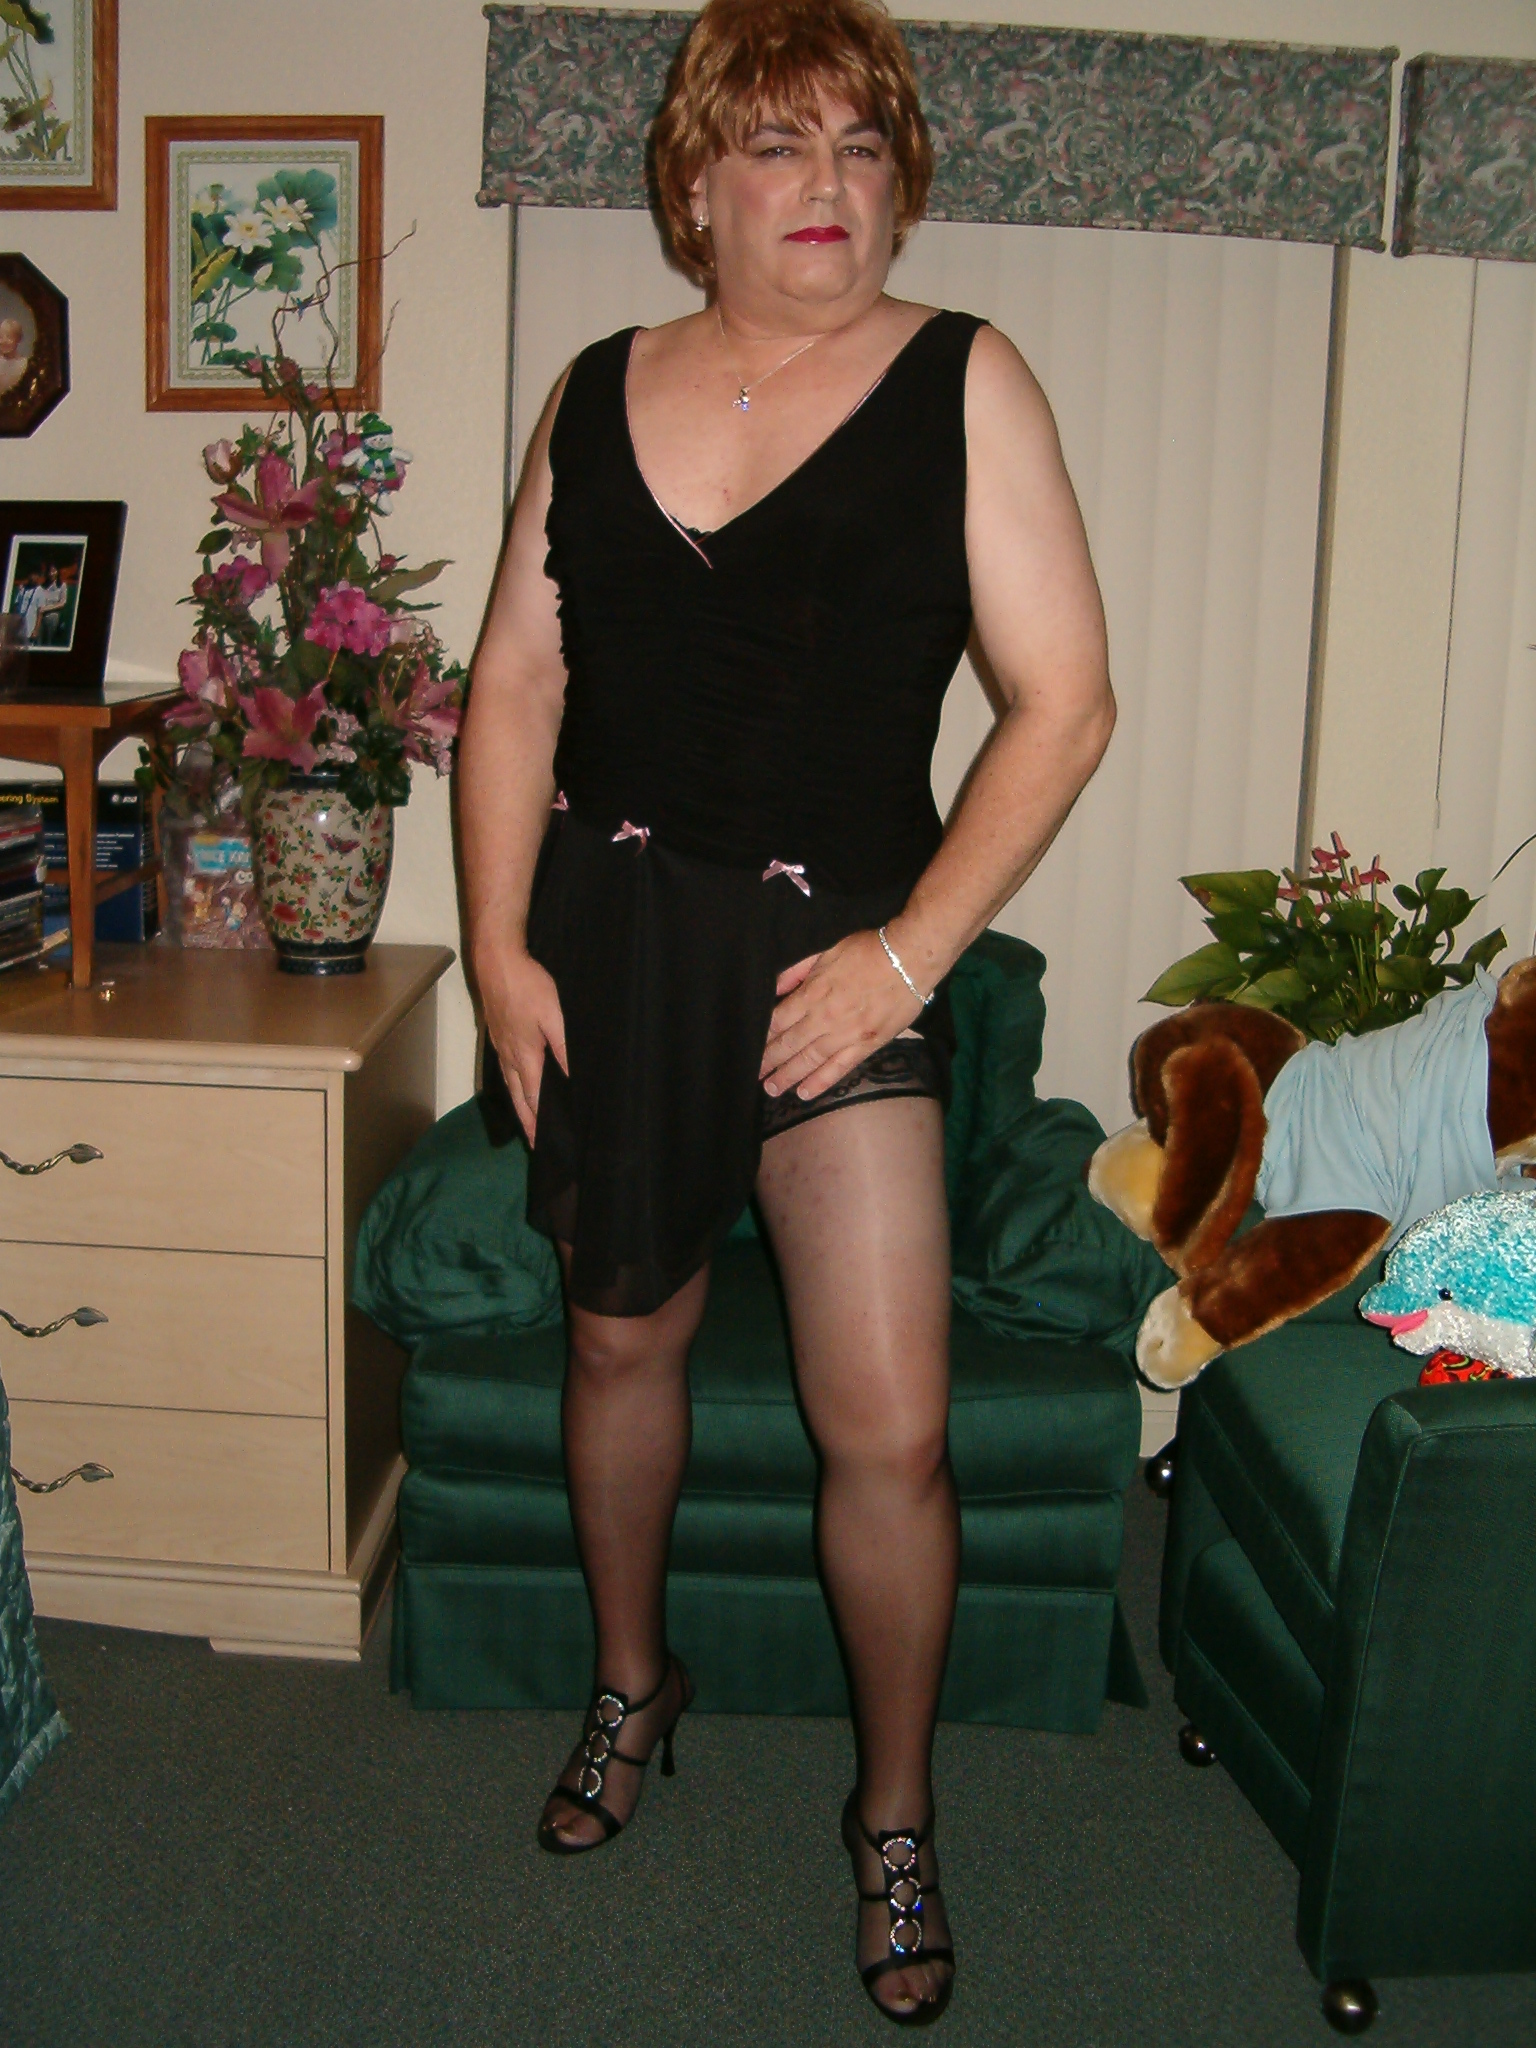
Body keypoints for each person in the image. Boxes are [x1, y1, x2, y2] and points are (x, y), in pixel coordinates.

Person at [459, 0, 1114, 2023]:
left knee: (891, 1426)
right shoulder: (592, 388)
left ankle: (892, 1811)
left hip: (843, 961)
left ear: (898, 179)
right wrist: (496, 948)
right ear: (697, 183)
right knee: (617, 1337)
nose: (824, 183)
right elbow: (516, 685)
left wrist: (909, 959)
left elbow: (1065, 705)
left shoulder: (964, 377)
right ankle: (632, 1683)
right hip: (612, 938)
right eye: (775, 143)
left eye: (858, 144)